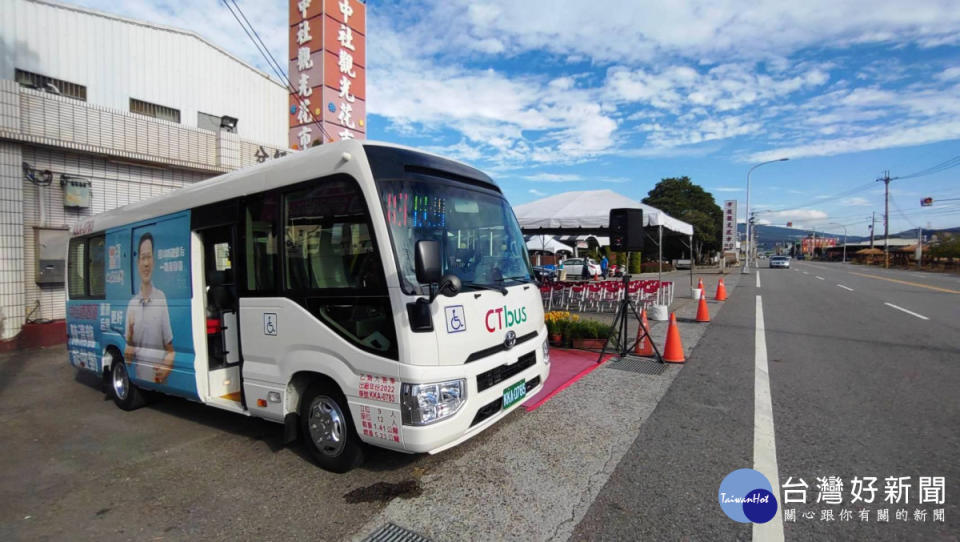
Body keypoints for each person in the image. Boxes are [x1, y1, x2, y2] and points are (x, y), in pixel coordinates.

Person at [125, 232, 175, 384]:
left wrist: (167, 367)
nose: (146, 263)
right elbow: (127, 359)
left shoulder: (161, 298)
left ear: (153, 261)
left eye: (149, 257)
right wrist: (130, 336)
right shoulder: (132, 305)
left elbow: (170, 350)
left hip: (159, 379)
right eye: (142, 258)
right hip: (141, 378)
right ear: (138, 262)